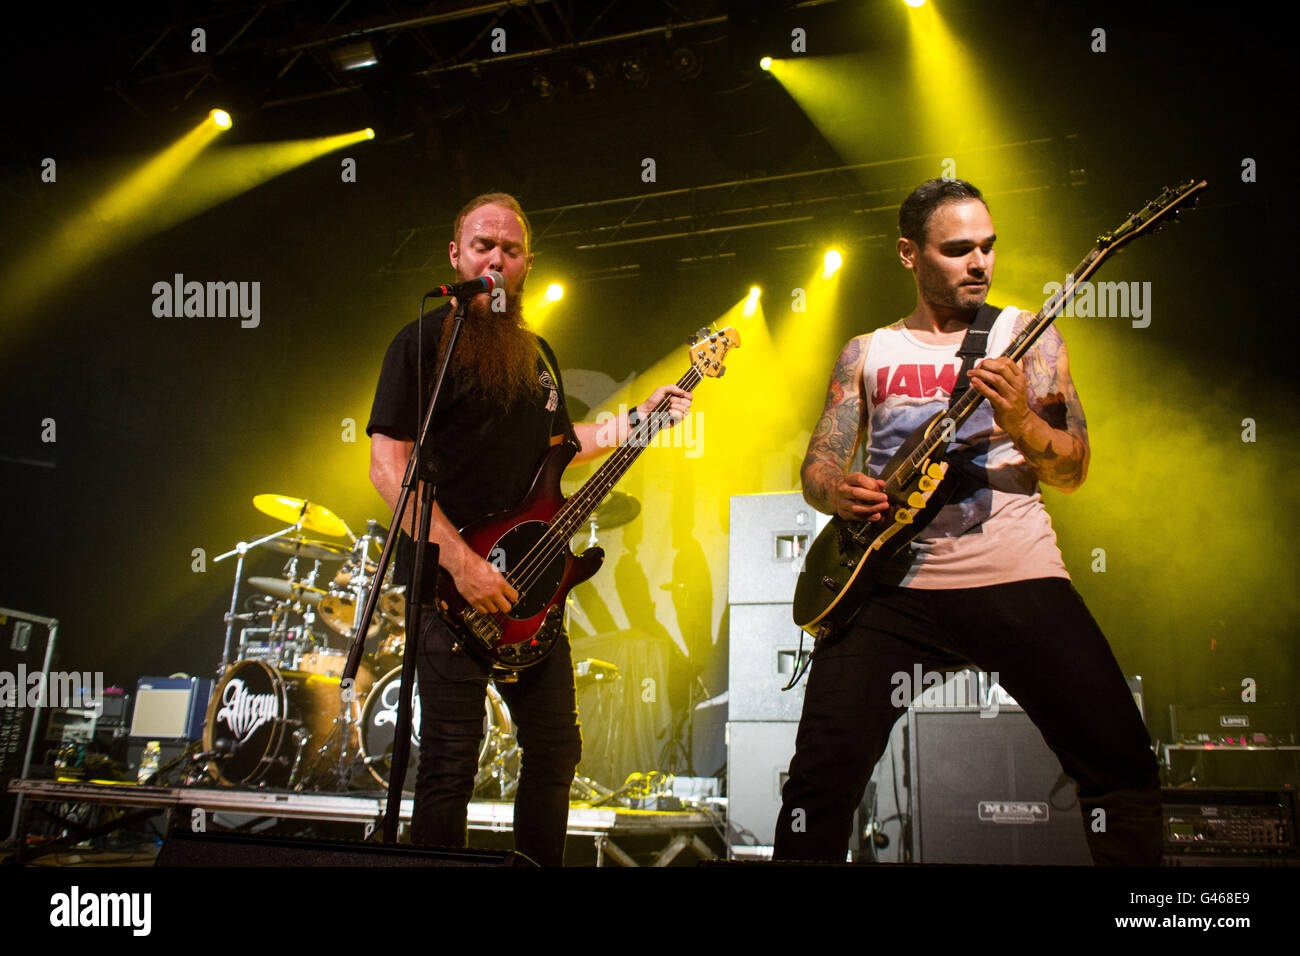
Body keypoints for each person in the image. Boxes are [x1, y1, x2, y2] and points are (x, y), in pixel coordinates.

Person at [773, 178, 1161, 865]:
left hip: (1015, 572)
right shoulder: (868, 351)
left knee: (1120, 763)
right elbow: (817, 466)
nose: (980, 262)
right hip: (889, 590)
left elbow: (1072, 470)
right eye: (957, 250)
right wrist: (840, 491)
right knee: (816, 787)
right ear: (908, 255)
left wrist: (1018, 418)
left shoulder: (1025, 335)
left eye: (987, 246)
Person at [367, 192, 691, 865]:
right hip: (449, 590)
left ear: (527, 265)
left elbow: (565, 442)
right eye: (482, 246)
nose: (496, 259)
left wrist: (641, 418)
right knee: (451, 757)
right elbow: (388, 467)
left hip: (530, 593)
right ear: (455, 257)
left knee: (555, 749)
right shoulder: (422, 341)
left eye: (510, 250)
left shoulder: (536, 353)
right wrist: (461, 563)